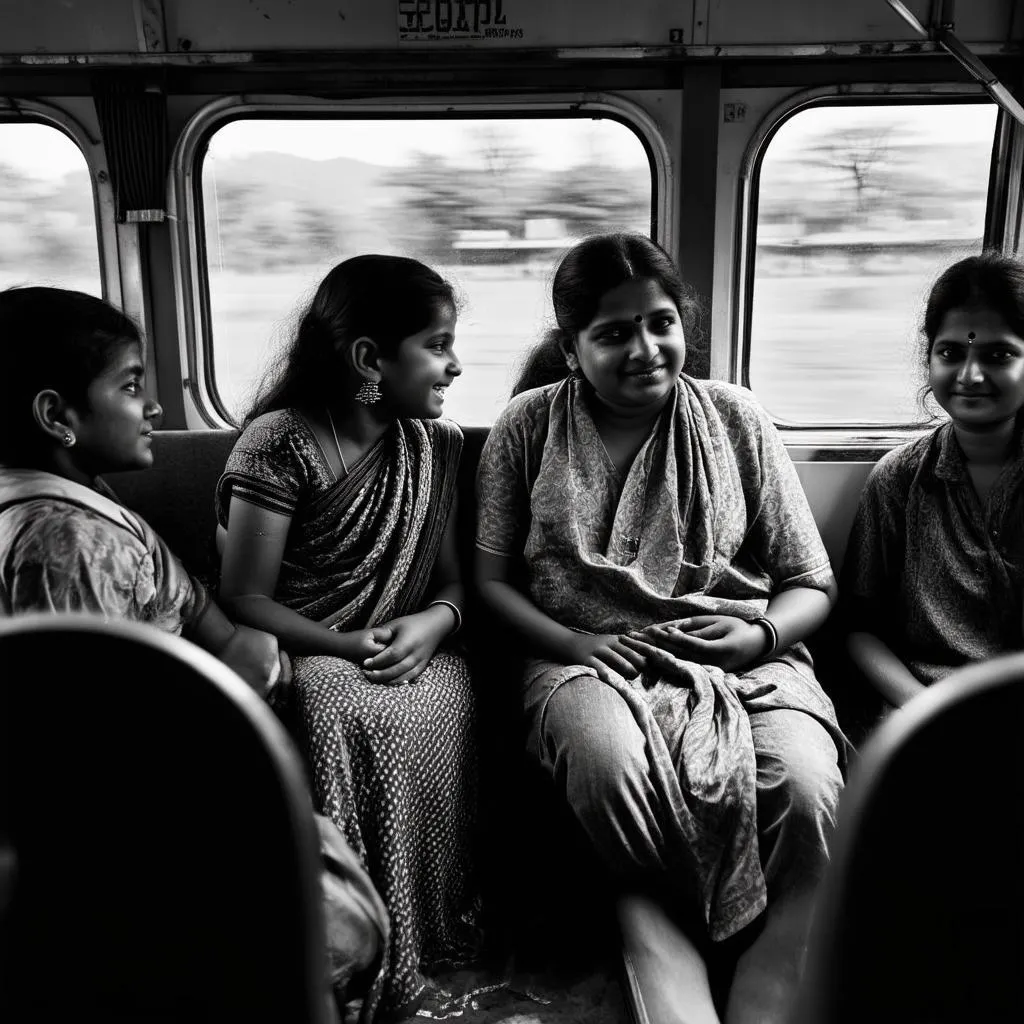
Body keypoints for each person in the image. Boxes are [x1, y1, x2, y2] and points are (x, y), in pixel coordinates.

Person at [475, 234, 848, 1024]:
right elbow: (491, 584)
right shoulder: (527, 426)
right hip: (577, 654)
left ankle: (777, 952)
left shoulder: (736, 417)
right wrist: (576, 644)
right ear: (571, 350)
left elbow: (810, 583)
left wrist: (762, 641)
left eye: (660, 323)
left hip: (746, 653)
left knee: (807, 784)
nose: (645, 350)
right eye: (612, 334)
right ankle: (651, 928)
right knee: (610, 766)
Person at [216, 255, 477, 1020]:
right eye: (437, 344)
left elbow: (454, 585)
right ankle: (349, 947)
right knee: (341, 707)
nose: (455, 365)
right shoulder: (280, 442)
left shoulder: (438, 447)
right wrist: (345, 646)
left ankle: (426, 938)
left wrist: (436, 624)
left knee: (444, 696)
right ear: (369, 359)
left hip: (416, 644)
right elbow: (244, 598)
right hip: (304, 646)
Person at [0, 286, 283, 696]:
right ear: (56, 415)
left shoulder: (66, 494)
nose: (154, 408)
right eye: (131, 386)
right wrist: (243, 674)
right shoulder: (73, 544)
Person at [843, 253, 1024, 711]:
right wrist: (925, 710)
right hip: (921, 703)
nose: (969, 375)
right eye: (951, 353)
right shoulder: (899, 480)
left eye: (998, 355)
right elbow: (860, 628)